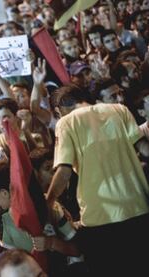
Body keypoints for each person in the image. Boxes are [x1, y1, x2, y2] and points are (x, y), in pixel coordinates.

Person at [46, 84, 149, 276]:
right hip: (139, 208)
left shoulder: (66, 122)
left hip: (100, 218)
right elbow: (143, 149)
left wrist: (48, 202)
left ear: (60, 110)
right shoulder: (120, 109)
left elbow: (64, 172)